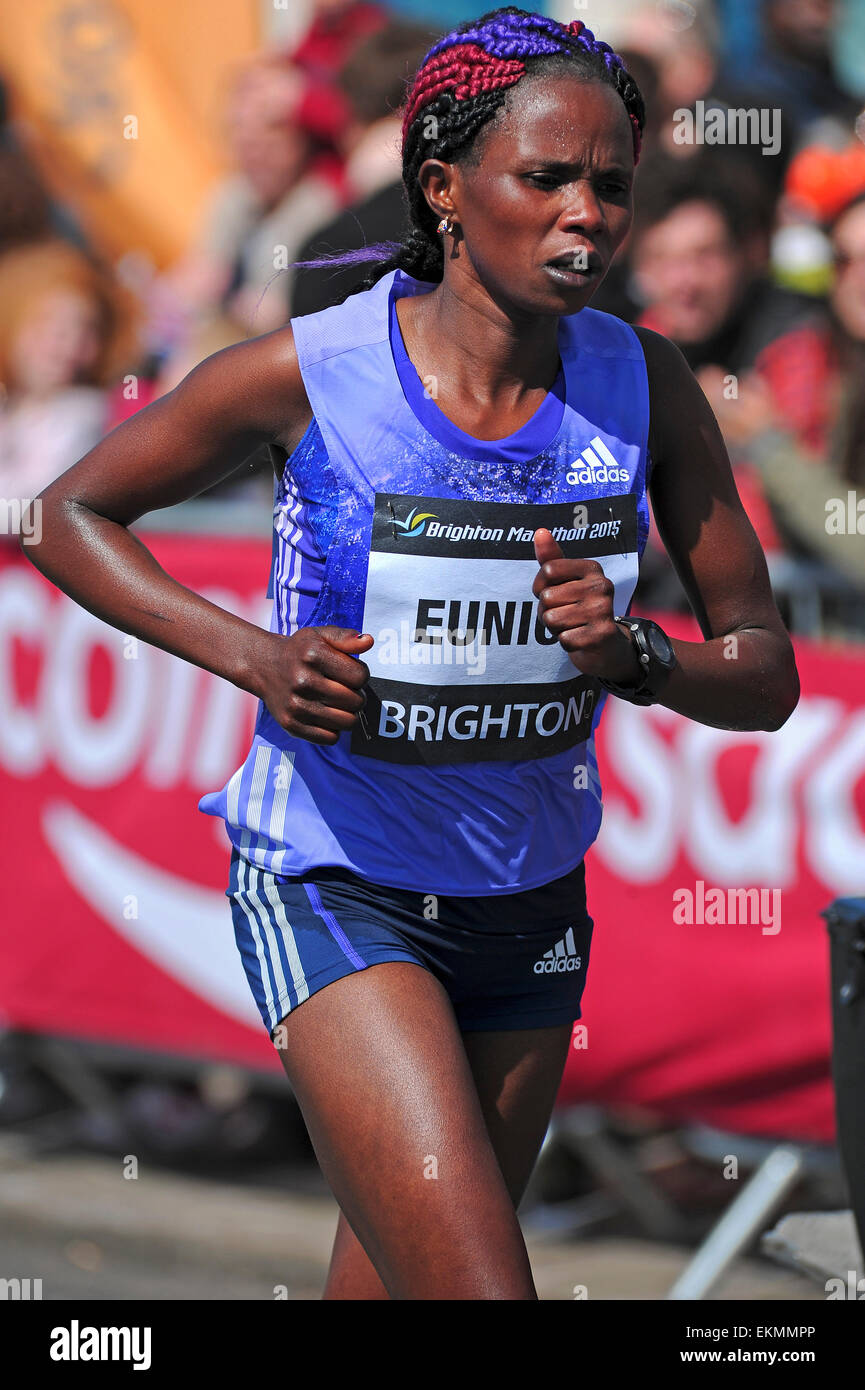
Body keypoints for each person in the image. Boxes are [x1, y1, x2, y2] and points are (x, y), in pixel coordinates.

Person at [18, 8, 799, 1300]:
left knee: (394, 1279)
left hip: (528, 900)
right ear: (442, 187)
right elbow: (61, 515)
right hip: (338, 877)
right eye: (542, 178)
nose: (585, 216)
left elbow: (762, 668)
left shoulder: (647, 387)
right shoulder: (313, 371)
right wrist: (256, 656)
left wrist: (634, 657)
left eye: (610, 185)